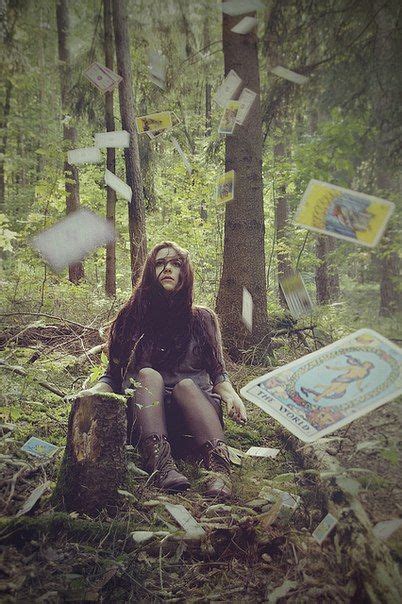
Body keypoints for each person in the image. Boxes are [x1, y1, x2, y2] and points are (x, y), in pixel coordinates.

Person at [84, 241, 247, 499]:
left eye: (175, 263)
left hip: (195, 420)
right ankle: (160, 465)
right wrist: (93, 394)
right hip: (148, 419)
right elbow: (113, 375)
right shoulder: (131, 317)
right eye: (160, 263)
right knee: (147, 375)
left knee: (186, 386)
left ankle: (219, 470)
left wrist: (230, 394)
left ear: (185, 272)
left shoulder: (203, 319)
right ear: (150, 271)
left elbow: (218, 373)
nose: (167, 269)